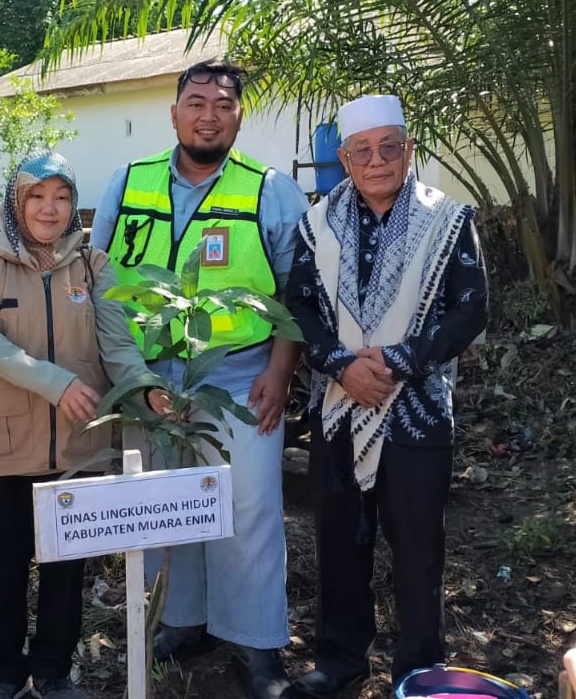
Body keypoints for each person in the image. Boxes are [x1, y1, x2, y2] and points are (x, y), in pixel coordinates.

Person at [92, 58, 310, 699]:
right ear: (174, 112)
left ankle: (255, 641)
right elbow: (98, 279)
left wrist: (280, 368)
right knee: (163, 505)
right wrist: (127, 376)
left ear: (239, 116)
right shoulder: (127, 183)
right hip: (146, 378)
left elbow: (302, 291)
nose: (208, 114)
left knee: (248, 509)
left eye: (223, 104)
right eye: (196, 101)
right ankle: (181, 621)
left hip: (239, 377)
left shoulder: (269, 189)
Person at [284, 94, 487, 695]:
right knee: (341, 543)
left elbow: (470, 311)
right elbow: (300, 307)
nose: (377, 162)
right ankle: (341, 661)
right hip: (339, 409)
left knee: (418, 550)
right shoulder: (315, 224)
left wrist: (398, 362)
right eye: (363, 151)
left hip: (417, 415)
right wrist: (341, 365)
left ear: (409, 150)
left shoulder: (448, 220)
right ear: (345, 159)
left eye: (389, 147)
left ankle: (420, 670)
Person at [0, 151, 165, 699]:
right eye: (36, 195)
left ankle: (53, 671)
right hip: (4, 443)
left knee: (66, 569)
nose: (49, 208)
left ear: (74, 204)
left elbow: (118, 346)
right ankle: (4, 671)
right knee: (5, 565)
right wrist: (53, 382)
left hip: (80, 446)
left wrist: (145, 388)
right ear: (16, 201)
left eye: (61, 196)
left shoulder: (93, 265)